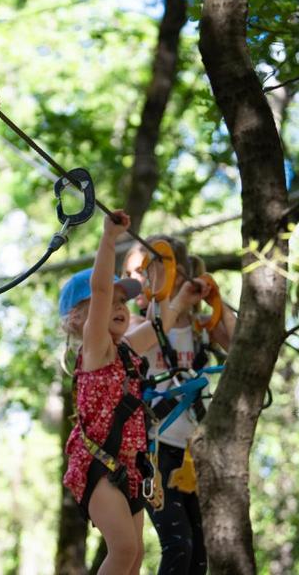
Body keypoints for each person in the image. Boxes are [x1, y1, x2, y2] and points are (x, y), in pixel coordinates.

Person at [60, 211, 203, 575]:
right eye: (113, 302)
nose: (121, 307)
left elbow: (158, 327)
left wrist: (182, 300)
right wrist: (109, 238)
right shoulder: (95, 351)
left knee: (135, 556)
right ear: (80, 319)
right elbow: (101, 289)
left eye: (125, 303)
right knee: (123, 549)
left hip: (130, 467)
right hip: (98, 463)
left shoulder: (125, 351)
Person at [131, 235, 236, 575]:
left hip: (192, 453)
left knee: (200, 554)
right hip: (156, 449)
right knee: (178, 544)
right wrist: (171, 301)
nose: (146, 277)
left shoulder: (199, 328)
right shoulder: (139, 323)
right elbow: (131, 349)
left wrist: (215, 300)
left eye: (153, 269)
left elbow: (241, 345)